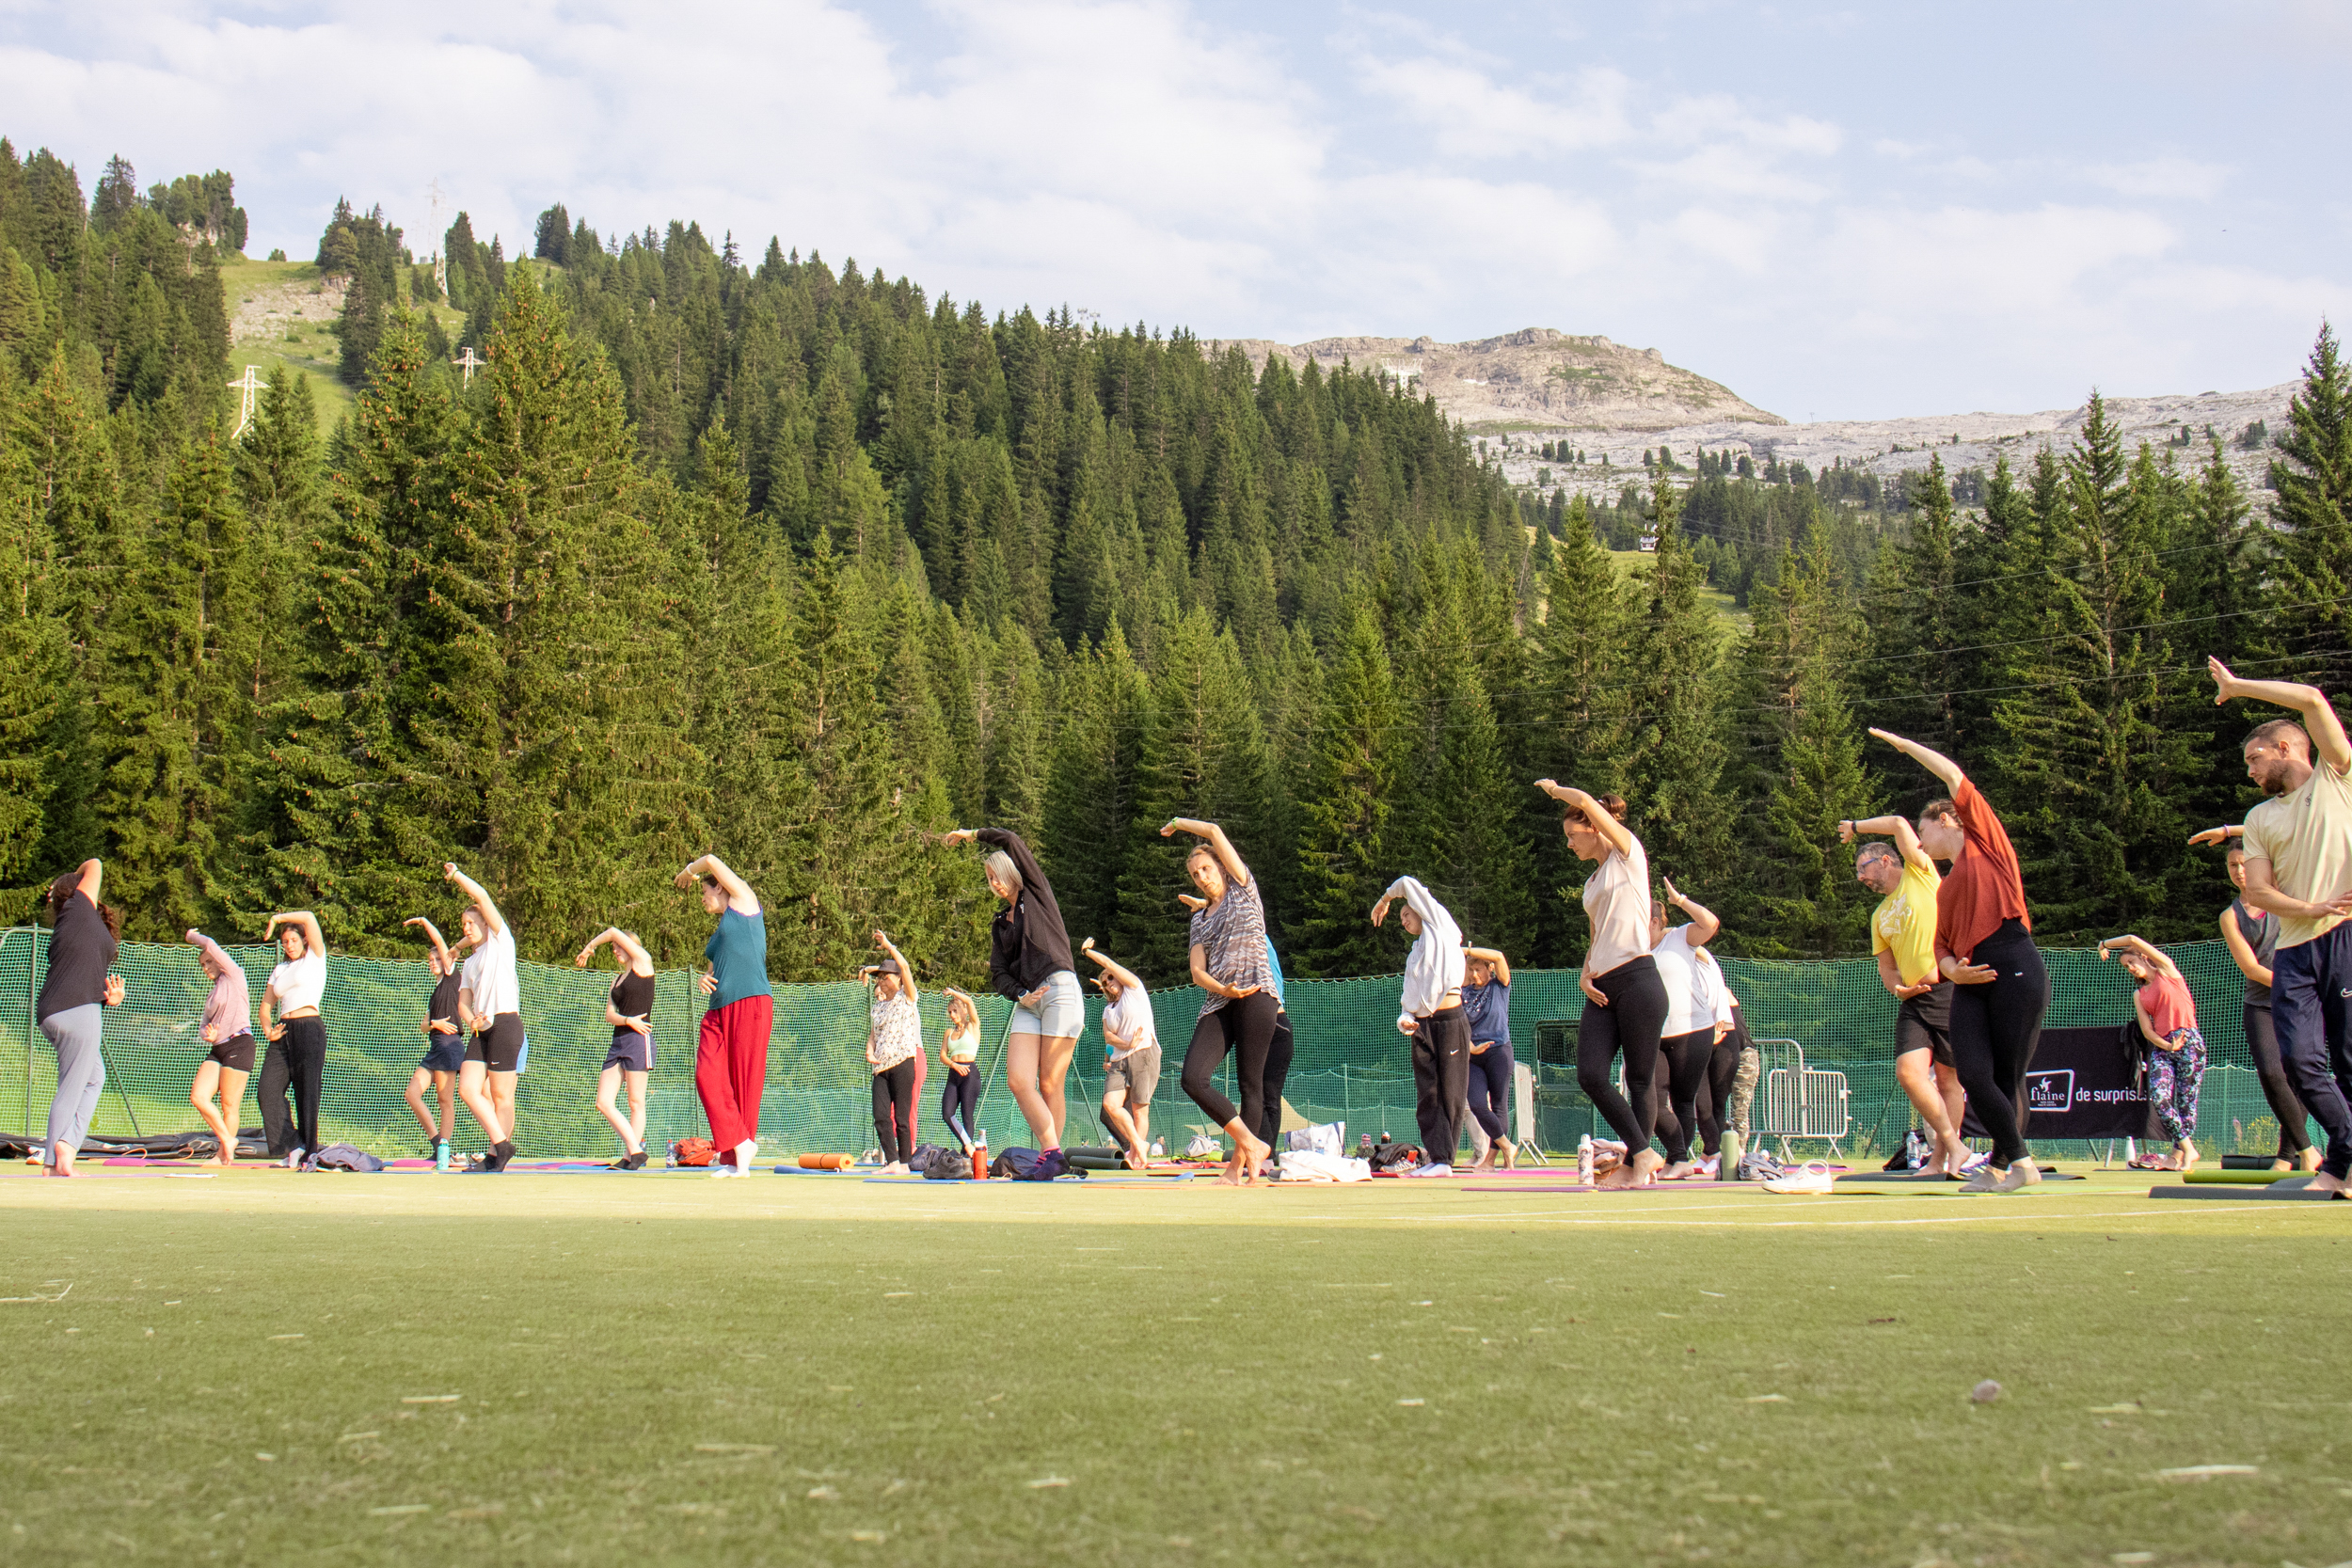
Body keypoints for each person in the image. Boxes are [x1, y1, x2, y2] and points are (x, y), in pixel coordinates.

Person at [1868, 728, 2048, 1194]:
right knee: (1972, 1074)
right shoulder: (1945, 890)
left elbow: (1952, 774)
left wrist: (1905, 747)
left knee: (2008, 1076)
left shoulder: (1987, 843)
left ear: (1947, 820)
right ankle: (2016, 1163)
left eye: (1923, 830)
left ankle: (2003, 1166)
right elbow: (1943, 947)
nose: (1920, 841)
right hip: (1968, 977)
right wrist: (1951, 970)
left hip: (2012, 960)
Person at [2209, 658, 2352, 1196]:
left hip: (2345, 940)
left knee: (2348, 1060)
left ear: (2287, 749)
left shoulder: (2339, 779)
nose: (2248, 769)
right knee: (2298, 1062)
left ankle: (2339, 1169)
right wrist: (2312, 907)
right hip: (2294, 950)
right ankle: (2347, 1153)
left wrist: (2239, 687)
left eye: (2254, 758)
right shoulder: (2261, 817)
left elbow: (2314, 700)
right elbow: (2260, 891)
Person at [1536, 780, 1669, 1188]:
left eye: (1573, 835)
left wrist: (1558, 791)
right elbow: (1596, 935)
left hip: (1639, 979)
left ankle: (1635, 1164)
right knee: (1590, 1074)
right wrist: (1585, 970)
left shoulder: (1629, 856)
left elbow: (1586, 803)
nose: (1569, 844)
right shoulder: (1592, 883)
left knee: (1639, 1079)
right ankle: (1645, 1155)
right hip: (1602, 986)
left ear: (1594, 827)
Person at [941, 826, 1081, 1173]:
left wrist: (972, 835)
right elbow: (999, 973)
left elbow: (1012, 841)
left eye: (996, 876)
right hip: (1028, 1001)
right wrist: (1021, 994)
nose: (994, 884)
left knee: (1050, 1082)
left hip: (1059, 989)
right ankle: (1054, 1153)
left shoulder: (1037, 894)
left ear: (1010, 871)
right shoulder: (1000, 923)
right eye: (988, 879)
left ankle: (1051, 1156)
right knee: (1018, 1080)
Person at [1841, 814, 1971, 1178]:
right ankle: (1952, 1146)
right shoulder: (1879, 916)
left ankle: (1943, 1158)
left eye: (1863, 868)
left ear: (1886, 859)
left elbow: (1899, 823)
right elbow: (1887, 968)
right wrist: (1898, 988)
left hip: (1948, 991)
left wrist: (1855, 827)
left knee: (1948, 1080)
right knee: (1909, 1073)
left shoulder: (1921, 873)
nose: (1860, 878)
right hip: (1914, 1001)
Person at [2189, 829, 2318, 1170]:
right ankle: (2307, 1152)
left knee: (2300, 1074)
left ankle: (2290, 1156)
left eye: (2245, 863)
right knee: (2273, 1076)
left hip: (2301, 1001)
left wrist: (2232, 830)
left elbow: (2286, 827)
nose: (2240, 870)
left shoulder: (2283, 893)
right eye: (2233, 865)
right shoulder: (2230, 917)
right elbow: (2250, 967)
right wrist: (2290, 985)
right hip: (2262, 1002)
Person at [1164, 817, 1278, 1184]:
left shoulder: (1244, 889)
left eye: (1206, 868)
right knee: (1193, 1078)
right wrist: (1223, 989)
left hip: (1257, 993)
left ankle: (1237, 1169)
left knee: (1251, 1085)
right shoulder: (1199, 918)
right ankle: (1251, 1143)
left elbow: (1213, 830)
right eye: (1195, 874)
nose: (1202, 877)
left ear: (1222, 868)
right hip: (1220, 1002)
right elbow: (1197, 972)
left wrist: (1179, 824)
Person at [677, 852, 771, 1179]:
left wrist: (689, 872)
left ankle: (735, 1159)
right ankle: (738, 1144)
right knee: (707, 1075)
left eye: (704, 892)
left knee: (744, 1080)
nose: (703, 899)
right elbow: (714, 968)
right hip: (718, 1008)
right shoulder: (718, 933)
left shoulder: (745, 903)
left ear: (718, 888)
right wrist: (704, 977)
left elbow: (711, 859)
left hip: (750, 1002)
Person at [1370, 876, 1469, 1177]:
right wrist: (1405, 1018)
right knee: (1428, 1093)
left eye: (1406, 914)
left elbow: (1406, 882)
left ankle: (1444, 1161)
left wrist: (1385, 900)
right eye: (1400, 918)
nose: (1402, 920)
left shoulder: (1440, 926)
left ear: (1420, 909)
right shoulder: (1415, 954)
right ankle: (1436, 1157)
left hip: (1451, 1021)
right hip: (1424, 1026)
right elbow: (1409, 999)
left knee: (1451, 1091)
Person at [33, 863, 123, 1178]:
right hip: (76, 1011)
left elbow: (81, 972)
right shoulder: (78, 907)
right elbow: (96, 864)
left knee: (93, 1077)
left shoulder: (77, 922)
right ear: (79, 890)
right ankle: (54, 1161)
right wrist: (67, 876)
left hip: (64, 1010)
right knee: (72, 1086)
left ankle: (67, 1145)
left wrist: (108, 999)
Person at [2098, 934, 2206, 1172]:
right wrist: (2167, 1046)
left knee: (2187, 1104)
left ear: (2145, 958)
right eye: (2126, 967)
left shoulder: (2168, 972)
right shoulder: (2139, 994)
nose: (2130, 969)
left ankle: (2179, 1155)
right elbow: (2147, 1031)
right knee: (2160, 1098)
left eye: (2131, 963)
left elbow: (2132, 939)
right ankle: (2189, 1149)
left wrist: (2104, 944)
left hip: (2189, 1042)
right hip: (2163, 1048)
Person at [1645, 878, 1726, 1181]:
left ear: (1655, 922)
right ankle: (1678, 1155)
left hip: (1693, 1032)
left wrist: (1681, 901)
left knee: (1683, 1100)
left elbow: (1710, 923)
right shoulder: (1634, 950)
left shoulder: (1679, 937)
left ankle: (1677, 1159)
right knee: (1648, 1097)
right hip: (1655, 1035)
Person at [444, 864, 521, 1175]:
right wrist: (471, 1019)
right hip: (482, 1031)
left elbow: (482, 896)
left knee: (502, 1096)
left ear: (486, 923)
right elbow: (463, 1003)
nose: (466, 927)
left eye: (471, 922)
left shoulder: (502, 944)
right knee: (467, 1090)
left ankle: (495, 1155)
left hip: (506, 1024)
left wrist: (458, 876)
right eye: (462, 924)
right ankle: (502, 1145)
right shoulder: (472, 960)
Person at [577, 926, 657, 1170]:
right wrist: (627, 1020)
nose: (615, 950)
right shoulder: (617, 979)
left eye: (619, 946)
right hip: (619, 1040)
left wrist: (590, 946)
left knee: (635, 1102)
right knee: (603, 1102)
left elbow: (612, 930)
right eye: (613, 948)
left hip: (638, 1039)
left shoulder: (643, 963)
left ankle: (630, 1155)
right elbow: (609, 1015)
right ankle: (635, 1150)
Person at [258, 910, 329, 1170]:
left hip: (309, 1028)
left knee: (306, 1093)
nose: (289, 946)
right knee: (267, 1089)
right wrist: (268, 1030)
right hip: (283, 1031)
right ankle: (292, 1145)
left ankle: (309, 1152)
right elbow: (265, 1008)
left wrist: (277, 918)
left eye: (294, 940)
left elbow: (310, 917)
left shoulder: (315, 958)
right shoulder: (279, 969)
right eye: (285, 942)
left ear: (304, 941)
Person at [1081, 938, 1161, 1170]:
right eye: (1104, 981)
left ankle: (1135, 1159)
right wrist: (1126, 1043)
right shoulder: (1109, 1009)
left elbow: (1110, 965)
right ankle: (1138, 1143)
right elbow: (1109, 1037)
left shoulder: (1134, 989)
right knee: (1110, 1104)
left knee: (1139, 1109)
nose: (1108, 981)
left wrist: (1088, 952)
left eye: (1110, 977)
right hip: (1119, 1059)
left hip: (1143, 1052)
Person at [184, 929, 253, 1168]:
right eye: (202, 964)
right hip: (218, 1048)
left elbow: (210, 943)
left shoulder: (234, 975)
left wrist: (191, 936)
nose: (206, 967)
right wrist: (208, 1034)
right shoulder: (212, 994)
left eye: (209, 961)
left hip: (239, 1043)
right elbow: (204, 1025)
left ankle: (223, 1156)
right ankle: (227, 1140)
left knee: (229, 1104)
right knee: (199, 1097)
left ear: (218, 960)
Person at [402, 916, 467, 1172]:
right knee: (412, 1094)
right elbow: (424, 1024)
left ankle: (445, 1150)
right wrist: (435, 1024)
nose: (433, 962)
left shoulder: (452, 978)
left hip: (450, 1045)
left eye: (437, 958)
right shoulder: (436, 990)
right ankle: (438, 1143)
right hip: (436, 1046)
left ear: (448, 961)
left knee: (444, 1099)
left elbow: (440, 942)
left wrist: (423, 922)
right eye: (430, 960)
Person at [858, 930, 923, 1175]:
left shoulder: (908, 997)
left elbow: (904, 967)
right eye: (880, 978)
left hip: (904, 1062)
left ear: (897, 979)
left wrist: (888, 946)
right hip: (881, 1067)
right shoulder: (878, 1006)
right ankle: (892, 1161)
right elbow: (874, 1036)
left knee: (903, 1119)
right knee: (881, 1115)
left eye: (886, 977)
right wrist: (869, 1050)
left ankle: (905, 1163)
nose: (882, 982)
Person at [1461, 942, 1516, 1172]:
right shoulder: (1461, 991)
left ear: (1489, 969)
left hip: (1498, 1051)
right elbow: (1458, 1025)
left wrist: (1468, 951)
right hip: (1473, 1055)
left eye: (1479, 969)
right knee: (1476, 1104)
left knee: (1499, 1105)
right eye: (1470, 969)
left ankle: (1493, 1161)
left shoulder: (1499, 986)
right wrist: (1471, 1046)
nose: (1474, 975)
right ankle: (1507, 1146)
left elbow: (1500, 956)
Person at [938, 987, 984, 1151]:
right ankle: (968, 1145)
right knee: (947, 1113)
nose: (952, 1015)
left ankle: (967, 1156)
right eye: (950, 1012)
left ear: (963, 1011)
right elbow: (943, 1055)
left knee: (967, 1115)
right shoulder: (949, 1032)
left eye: (955, 1011)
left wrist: (953, 993)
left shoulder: (972, 1026)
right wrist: (953, 1064)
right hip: (954, 1073)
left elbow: (970, 1001)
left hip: (969, 1074)